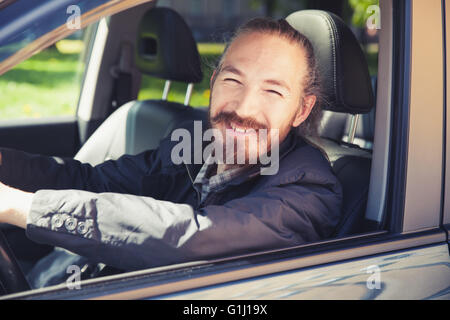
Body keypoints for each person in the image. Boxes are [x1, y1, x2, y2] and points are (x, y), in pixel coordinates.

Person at [0, 18, 342, 288]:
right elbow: (93, 181)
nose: (244, 108)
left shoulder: (309, 190)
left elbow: (192, 236)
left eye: (272, 91)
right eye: (233, 81)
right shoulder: (193, 147)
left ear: (301, 110)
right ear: (213, 85)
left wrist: (20, 207)